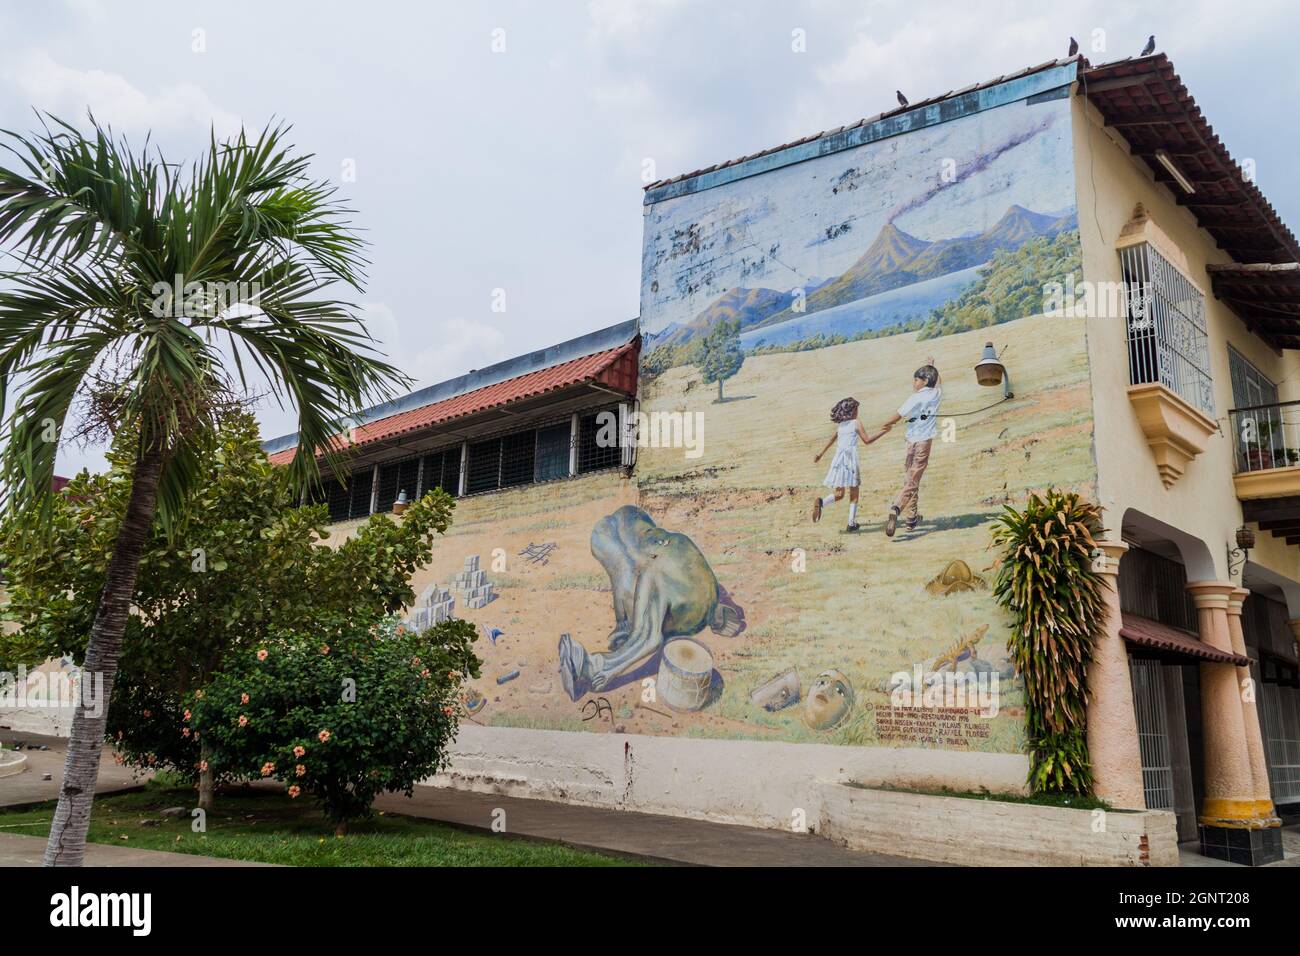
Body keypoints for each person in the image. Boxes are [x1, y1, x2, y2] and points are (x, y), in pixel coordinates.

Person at [879, 358, 942, 537]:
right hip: (924, 443)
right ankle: (899, 509)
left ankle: (908, 516)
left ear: (925, 381)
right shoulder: (936, 394)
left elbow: (897, 416)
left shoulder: (915, 397)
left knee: (911, 479)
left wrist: (885, 425)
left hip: (911, 443)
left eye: (916, 379)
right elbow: (940, 384)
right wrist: (933, 367)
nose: (913, 383)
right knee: (913, 480)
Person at [813, 397, 887, 532]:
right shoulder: (856, 423)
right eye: (857, 409)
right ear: (852, 411)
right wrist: (883, 431)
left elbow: (831, 440)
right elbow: (867, 440)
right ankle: (851, 523)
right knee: (854, 492)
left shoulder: (840, 426)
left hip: (838, 460)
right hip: (850, 461)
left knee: (839, 493)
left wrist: (820, 454)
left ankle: (822, 502)